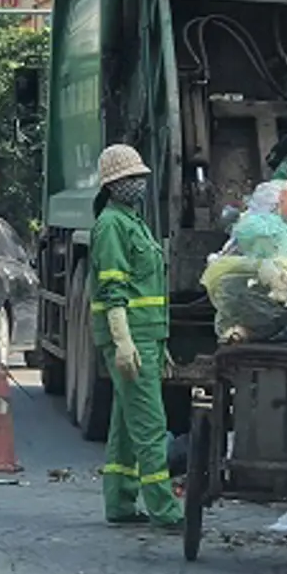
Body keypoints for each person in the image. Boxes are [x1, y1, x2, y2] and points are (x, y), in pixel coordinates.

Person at [90, 143, 182, 530]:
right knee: (149, 425)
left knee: (126, 426)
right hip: (130, 336)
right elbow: (113, 289)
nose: (138, 184)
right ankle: (166, 510)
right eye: (130, 179)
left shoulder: (132, 220)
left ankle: (120, 502)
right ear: (112, 185)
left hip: (147, 336)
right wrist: (123, 341)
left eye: (140, 178)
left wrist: (160, 344)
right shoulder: (112, 225)